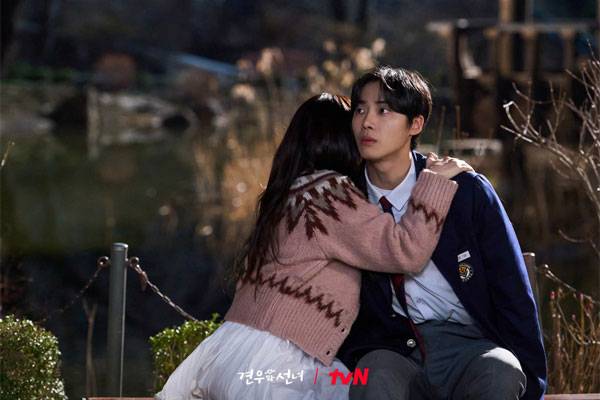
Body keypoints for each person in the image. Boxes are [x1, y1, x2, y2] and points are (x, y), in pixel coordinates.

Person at [156, 93, 471, 400]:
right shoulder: (329, 196)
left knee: (361, 381)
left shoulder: (288, 192)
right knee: (361, 386)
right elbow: (405, 251)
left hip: (234, 349)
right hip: (281, 360)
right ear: (341, 139)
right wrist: (434, 182)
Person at [337, 66, 547, 400]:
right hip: (391, 348)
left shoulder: (465, 191)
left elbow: (512, 288)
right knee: (372, 378)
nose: (367, 122)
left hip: (470, 345)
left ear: (416, 124)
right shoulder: (345, 200)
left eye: (384, 110)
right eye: (360, 110)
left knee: (501, 370)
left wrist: (532, 381)